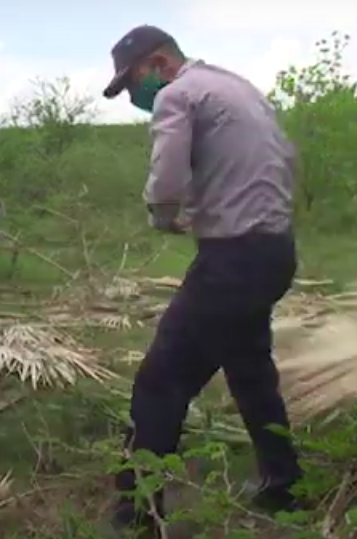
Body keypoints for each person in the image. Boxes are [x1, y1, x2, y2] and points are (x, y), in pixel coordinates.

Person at [101, 25, 303, 536]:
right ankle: (285, 484)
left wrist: (163, 215)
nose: (133, 95)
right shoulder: (239, 88)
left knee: (161, 381)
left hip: (232, 260)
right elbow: (285, 157)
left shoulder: (178, 93)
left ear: (159, 63)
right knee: (250, 368)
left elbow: (167, 179)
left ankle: (138, 512)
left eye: (131, 83)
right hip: (275, 250)